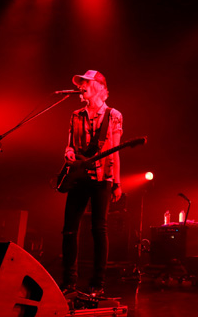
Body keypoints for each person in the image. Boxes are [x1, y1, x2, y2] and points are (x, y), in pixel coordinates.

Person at [60, 70, 123, 297]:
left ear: (98, 87)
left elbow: (115, 150)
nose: (81, 87)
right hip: (78, 175)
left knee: (99, 229)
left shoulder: (114, 115)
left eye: (85, 83)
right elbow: (70, 144)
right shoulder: (75, 115)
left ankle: (98, 283)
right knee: (69, 229)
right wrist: (68, 152)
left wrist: (117, 182)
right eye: (81, 83)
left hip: (102, 177)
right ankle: (69, 282)